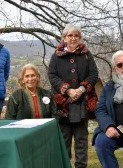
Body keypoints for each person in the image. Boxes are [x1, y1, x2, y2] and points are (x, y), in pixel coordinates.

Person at [48, 24, 98, 168]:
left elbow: (93, 74)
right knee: (64, 140)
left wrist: (82, 89)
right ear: (64, 38)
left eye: (76, 35)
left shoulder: (87, 54)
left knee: (81, 140)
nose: (73, 38)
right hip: (63, 103)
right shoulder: (56, 56)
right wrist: (68, 90)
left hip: (82, 102)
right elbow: (52, 75)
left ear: (80, 38)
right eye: (70, 35)